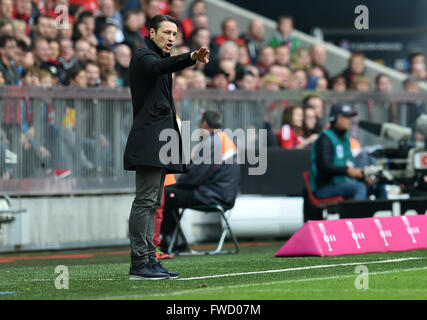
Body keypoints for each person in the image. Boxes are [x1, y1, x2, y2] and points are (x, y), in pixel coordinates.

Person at [123, 14, 209, 281]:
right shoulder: (143, 56)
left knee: (152, 203)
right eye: (166, 33)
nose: (171, 38)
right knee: (146, 201)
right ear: (151, 33)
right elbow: (157, 68)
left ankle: (149, 258)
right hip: (150, 140)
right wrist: (190, 57)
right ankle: (140, 262)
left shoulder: (156, 58)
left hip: (160, 141)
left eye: (175, 34)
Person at [160, 110, 240, 253]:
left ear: (204, 123)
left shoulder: (213, 141)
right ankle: (176, 240)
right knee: (171, 194)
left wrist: (178, 184)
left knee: (164, 195)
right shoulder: (225, 139)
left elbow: (196, 174)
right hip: (223, 194)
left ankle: (171, 241)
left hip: (211, 195)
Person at [310, 104, 374, 201]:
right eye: (345, 117)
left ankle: (387, 216)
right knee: (359, 187)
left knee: (377, 185)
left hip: (345, 182)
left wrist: (364, 176)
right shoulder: (325, 139)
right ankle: (356, 216)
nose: (349, 120)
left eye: (350, 117)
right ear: (335, 118)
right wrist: (347, 170)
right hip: (326, 186)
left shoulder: (345, 139)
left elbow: (350, 164)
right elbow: (325, 167)